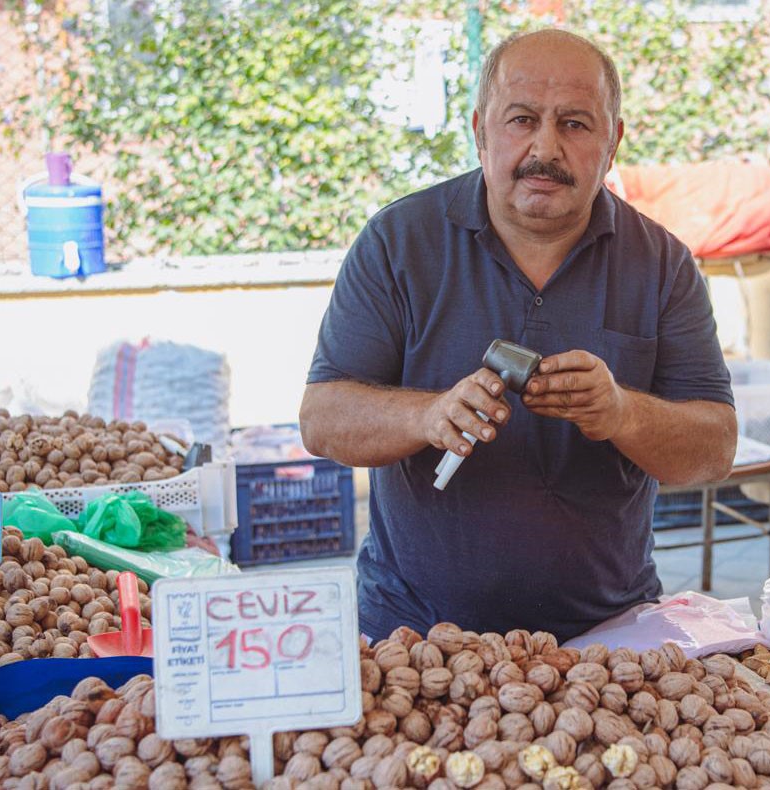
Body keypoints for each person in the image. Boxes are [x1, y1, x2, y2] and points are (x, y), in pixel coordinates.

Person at [300, 28, 737, 642]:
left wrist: (620, 413)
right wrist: (430, 417)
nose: (545, 147)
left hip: (610, 636)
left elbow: (715, 448)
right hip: (415, 636)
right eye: (522, 119)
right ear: (480, 130)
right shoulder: (398, 244)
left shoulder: (663, 265)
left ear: (613, 142)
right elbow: (321, 419)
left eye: (576, 124)